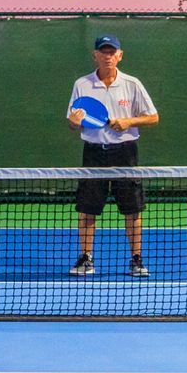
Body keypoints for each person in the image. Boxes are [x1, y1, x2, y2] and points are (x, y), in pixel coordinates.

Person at [65, 34, 159, 278]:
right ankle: (86, 258)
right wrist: (74, 123)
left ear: (120, 55)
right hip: (94, 154)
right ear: (95, 55)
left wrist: (129, 121)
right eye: (102, 51)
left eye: (111, 52)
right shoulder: (82, 85)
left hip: (125, 153)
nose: (107, 56)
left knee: (132, 210)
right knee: (87, 210)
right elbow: (73, 123)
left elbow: (153, 117)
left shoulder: (132, 84)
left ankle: (136, 259)